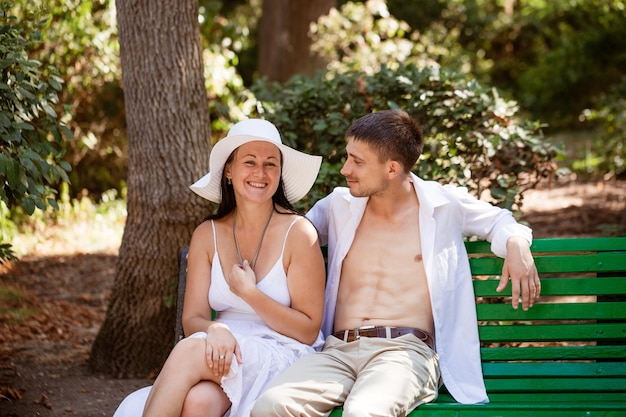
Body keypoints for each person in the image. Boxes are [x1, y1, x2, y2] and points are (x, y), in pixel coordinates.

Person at [251, 109, 541, 417]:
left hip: (405, 353)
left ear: (391, 169)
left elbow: (500, 220)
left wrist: (516, 243)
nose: (345, 169)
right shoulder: (339, 205)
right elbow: (287, 237)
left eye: (357, 161)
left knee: (364, 412)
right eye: (348, 157)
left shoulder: (442, 205)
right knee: (272, 406)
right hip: (337, 351)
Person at [112, 118, 325, 417]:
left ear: (280, 173)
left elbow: (307, 330)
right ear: (229, 170)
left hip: (282, 352)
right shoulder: (207, 234)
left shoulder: (299, 233)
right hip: (219, 350)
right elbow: (193, 319)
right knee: (198, 403)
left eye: (270, 164)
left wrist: (251, 295)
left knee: (188, 350)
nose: (260, 173)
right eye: (249, 162)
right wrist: (217, 328)